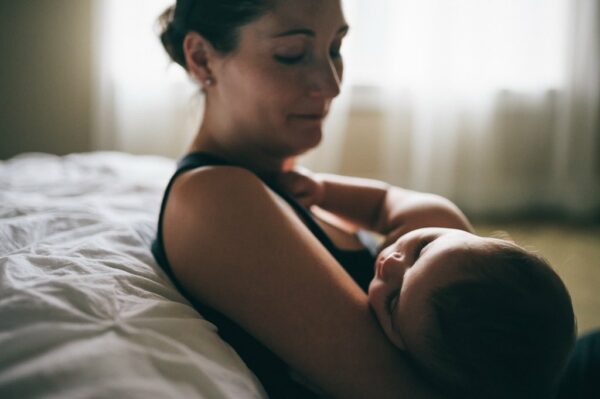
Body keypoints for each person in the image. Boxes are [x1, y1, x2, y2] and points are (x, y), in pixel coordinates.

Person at [150, 0, 595, 398]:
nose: (331, 83)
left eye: (336, 48)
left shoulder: (289, 186)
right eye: (292, 54)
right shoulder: (215, 196)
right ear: (202, 58)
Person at [277, 169, 577, 399]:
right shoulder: (438, 219)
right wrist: (324, 190)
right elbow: (383, 203)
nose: (391, 265)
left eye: (393, 302)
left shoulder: (392, 359)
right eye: (421, 249)